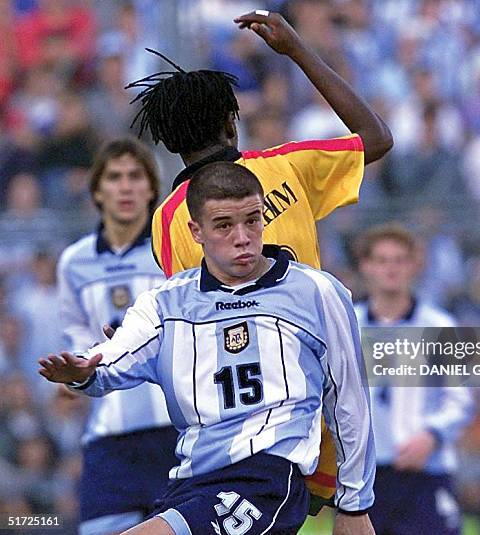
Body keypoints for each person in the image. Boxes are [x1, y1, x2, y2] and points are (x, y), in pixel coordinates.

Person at [127, 9, 393, 511]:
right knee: (346, 512)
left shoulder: (168, 223)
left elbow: (192, 327)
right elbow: (376, 137)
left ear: (167, 143)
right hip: (320, 394)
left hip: (242, 421)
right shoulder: (286, 166)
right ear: (233, 121)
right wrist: (296, 51)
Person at [40, 161, 376, 535]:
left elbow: (349, 400)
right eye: (224, 225)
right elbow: (118, 354)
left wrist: (354, 503)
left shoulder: (316, 292)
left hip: (264, 479)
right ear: (195, 231)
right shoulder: (164, 303)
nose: (243, 236)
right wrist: (87, 371)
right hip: (189, 482)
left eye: (253, 220)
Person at [56, 137, 175, 534]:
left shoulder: (174, 250)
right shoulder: (74, 261)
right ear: (97, 191)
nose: (125, 187)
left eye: (136, 176)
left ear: (152, 189)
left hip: (176, 433)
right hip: (109, 439)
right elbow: (75, 329)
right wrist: (73, 369)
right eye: (114, 177)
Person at [354, 223, 473, 535]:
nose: (391, 269)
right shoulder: (346, 325)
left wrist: (431, 436)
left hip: (427, 471)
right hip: (365, 477)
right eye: (382, 260)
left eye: (400, 260)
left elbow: (460, 400)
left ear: (414, 266)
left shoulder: (440, 326)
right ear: (366, 266)